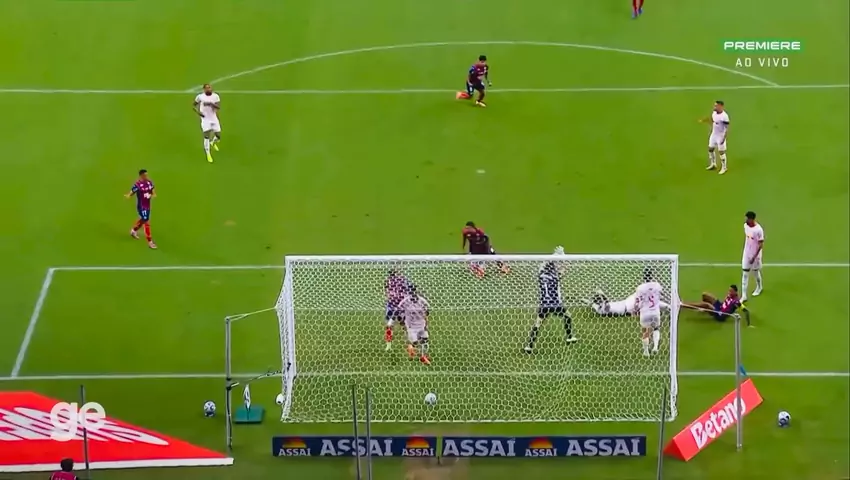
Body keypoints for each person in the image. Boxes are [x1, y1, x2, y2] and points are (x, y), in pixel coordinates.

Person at [682, 285, 751, 326]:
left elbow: (746, 311)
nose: (729, 292)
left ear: (735, 292)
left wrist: (748, 324)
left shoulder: (736, 302)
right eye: (729, 290)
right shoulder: (729, 295)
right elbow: (725, 304)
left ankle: (684, 305)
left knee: (706, 305)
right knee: (705, 295)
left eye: (731, 291)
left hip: (720, 315)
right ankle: (705, 310)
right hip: (720, 306)